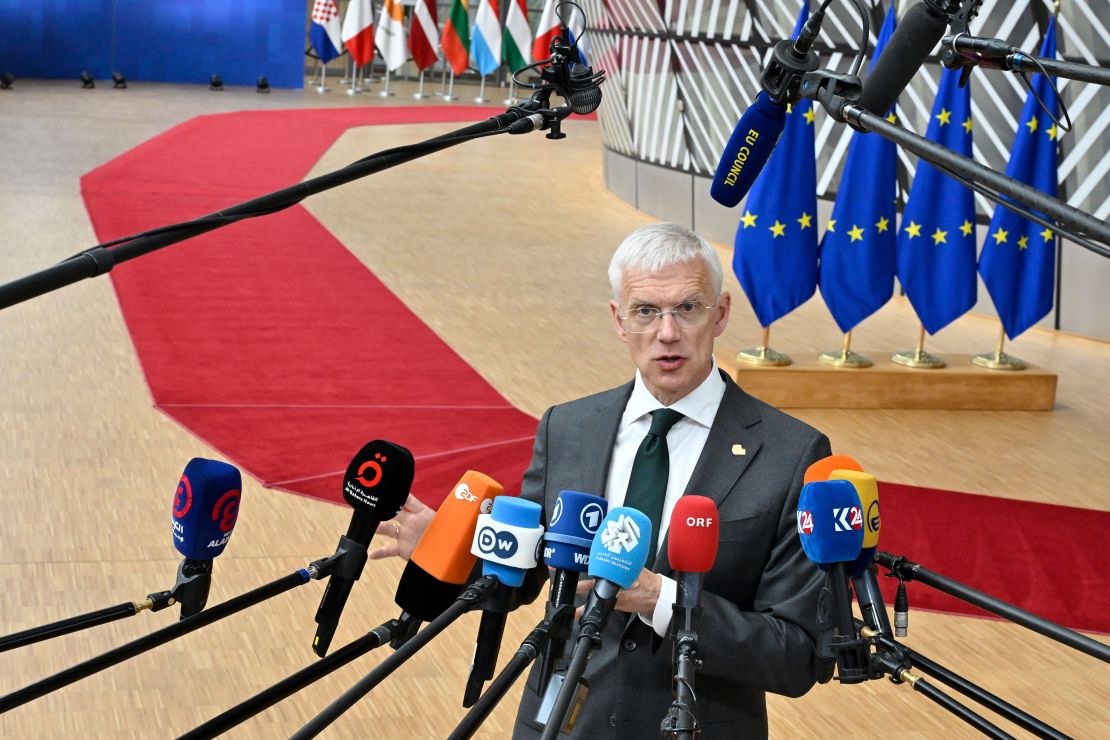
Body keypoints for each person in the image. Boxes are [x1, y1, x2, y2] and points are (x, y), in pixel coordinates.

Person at [371, 222, 832, 738]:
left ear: (720, 313)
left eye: (687, 308)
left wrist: (661, 599)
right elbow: (527, 572)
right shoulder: (568, 428)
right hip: (563, 721)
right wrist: (447, 545)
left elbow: (796, 654)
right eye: (645, 311)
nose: (667, 333)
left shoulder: (792, 454)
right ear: (618, 319)